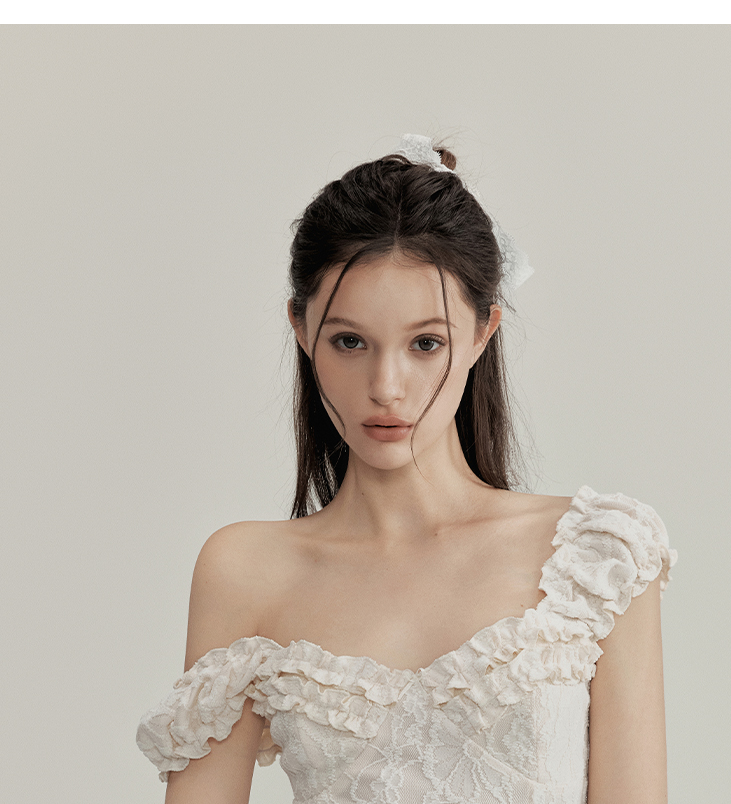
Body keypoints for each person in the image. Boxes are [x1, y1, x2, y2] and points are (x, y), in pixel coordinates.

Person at [136, 135, 677, 804]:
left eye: (426, 343)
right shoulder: (246, 570)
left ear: (482, 333)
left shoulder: (595, 558)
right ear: (301, 330)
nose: (386, 387)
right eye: (349, 341)